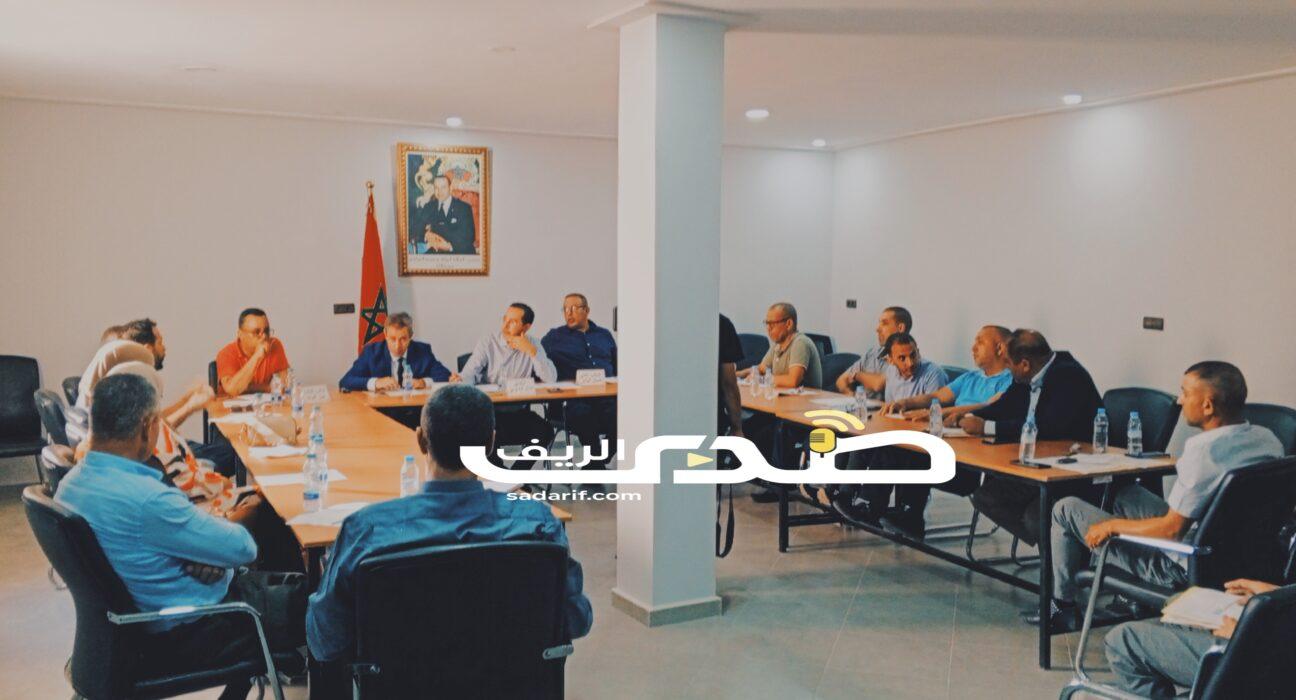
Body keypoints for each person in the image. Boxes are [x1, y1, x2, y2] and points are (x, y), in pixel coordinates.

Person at [306, 385, 592, 672]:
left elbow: (324, 642)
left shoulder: (367, 530)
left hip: (404, 685)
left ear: (420, 440)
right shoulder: (536, 524)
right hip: (510, 684)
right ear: (490, 444)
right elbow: (576, 619)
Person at [55, 374, 302, 696]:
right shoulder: (148, 499)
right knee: (319, 600)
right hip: (190, 631)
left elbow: (139, 544)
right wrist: (216, 559)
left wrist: (204, 556)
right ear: (147, 426)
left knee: (277, 574)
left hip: (123, 633)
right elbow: (244, 548)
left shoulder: (69, 486)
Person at [1042, 362, 1282, 629]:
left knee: (1065, 509)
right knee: (1127, 495)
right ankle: (1128, 598)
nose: (1179, 400)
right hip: (1241, 557)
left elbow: (1171, 531)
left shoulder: (1202, 452)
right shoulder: (1267, 439)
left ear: (1207, 406)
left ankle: (1061, 607)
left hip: (1185, 567)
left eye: (1185, 393)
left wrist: (1112, 526)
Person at [958, 329, 1103, 546]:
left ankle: (1061, 551)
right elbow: (1005, 405)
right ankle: (1051, 544)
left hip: (1070, 472)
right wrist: (970, 416)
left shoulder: (1069, 376)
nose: (1008, 370)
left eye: (1009, 365)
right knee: (985, 497)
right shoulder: (1028, 374)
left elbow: (1049, 427)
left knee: (1036, 518)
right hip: (1035, 463)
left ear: (1025, 364)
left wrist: (986, 427)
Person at [831, 332, 948, 538]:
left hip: (924, 441)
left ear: (919, 351)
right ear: (891, 360)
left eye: (913, 355)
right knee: (859, 439)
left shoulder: (933, 374)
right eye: (902, 358)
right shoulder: (892, 373)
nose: (909, 362)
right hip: (899, 435)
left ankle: (872, 507)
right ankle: (846, 495)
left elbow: (936, 412)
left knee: (885, 450)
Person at [1105, 579, 1281, 697]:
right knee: (1178, 604)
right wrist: (1273, 592)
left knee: (1123, 641)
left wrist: (1244, 633)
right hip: (1275, 636)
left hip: (1264, 656)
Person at [738, 303, 823, 501]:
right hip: (784, 407)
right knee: (751, 426)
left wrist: (763, 379)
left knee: (778, 430)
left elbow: (793, 380)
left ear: (789, 324)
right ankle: (764, 477)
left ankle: (780, 486)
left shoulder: (800, 343)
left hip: (804, 412)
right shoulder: (777, 346)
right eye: (766, 323)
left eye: (772, 324)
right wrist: (737, 375)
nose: (768, 328)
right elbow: (760, 369)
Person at [460, 303, 557, 470]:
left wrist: (532, 352)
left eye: (513, 321)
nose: (505, 325)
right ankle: (501, 475)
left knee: (545, 431)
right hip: (490, 413)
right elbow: (469, 373)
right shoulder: (488, 342)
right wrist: (461, 380)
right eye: (505, 319)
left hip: (518, 413)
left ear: (526, 327)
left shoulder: (533, 343)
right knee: (478, 432)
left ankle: (516, 476)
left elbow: (551, 379)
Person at [541, 293, 617, 468]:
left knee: (624, 414)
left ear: (587, 310)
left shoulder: (604, 335)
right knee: (584, 415)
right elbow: (538, 363)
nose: (569, 313)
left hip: (606, 397)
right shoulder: (554, 337)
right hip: (572, 400)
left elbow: (618, 367)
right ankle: (596, 463)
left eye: (574, 308)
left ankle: (598, 459)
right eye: (565, 309)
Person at [882, 325, 1014, 422]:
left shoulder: (1013, 381)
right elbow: (938, 396)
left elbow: (989, 406)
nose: (973, 348)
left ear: (999, 348)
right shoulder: (969, 377)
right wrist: (905, 403)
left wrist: (937, 413)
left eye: (980, 343)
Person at [339, 312, 456, 391]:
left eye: (403, 339)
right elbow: (345, 381)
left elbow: (445, 375)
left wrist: (424, 382)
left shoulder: (422, 351)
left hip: (413, 413)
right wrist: (376, 382)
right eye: (393, 339)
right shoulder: (372, 352)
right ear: (385, 335)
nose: (397, 346)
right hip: (381, 412)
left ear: (410, 336)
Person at [835, 306, 913, 400]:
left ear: (900, 328)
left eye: (884, 323)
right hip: (863, 407)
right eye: (879, 323)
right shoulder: (872, 353)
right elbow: (841, 380)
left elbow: (878, 384)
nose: (877, 329)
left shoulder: (909, 358)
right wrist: (852, 396)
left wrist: (856, 375)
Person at [422, 173, 477, 254]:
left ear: (450, 188)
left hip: (458, 252)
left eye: (443, 187)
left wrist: (449, 246)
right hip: (435, 252)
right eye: (436, 188)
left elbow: (469, 237)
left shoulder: (464, 208)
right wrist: (426, 234)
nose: (439, 191)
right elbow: (417, 229)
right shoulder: (429, 207)